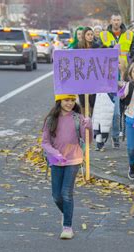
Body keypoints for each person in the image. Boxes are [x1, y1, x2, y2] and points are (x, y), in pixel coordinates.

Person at [41, 94, 92, 239]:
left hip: (74, 159)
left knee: (66, 193)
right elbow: (45, 142)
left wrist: (89, 126)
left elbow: (87, 140)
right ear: (59, 101)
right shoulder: (51, 119)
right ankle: (66, 213)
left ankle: (67, 226)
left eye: (72, 100)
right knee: (56, 196)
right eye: (66, 100)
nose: (69, 103)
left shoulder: (78, 118)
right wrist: (55, 153)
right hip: (56, 160)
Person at [100, 14, 134, 148]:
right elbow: (99, 52)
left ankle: (121, 133)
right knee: (110, 110)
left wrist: (130, 63)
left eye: (118, 20)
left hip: (124, 74)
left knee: (122, 108)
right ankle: (110, 137)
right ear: (111, 21)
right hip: (108, 75)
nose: (116, 22)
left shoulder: (128, 34)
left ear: (121, 21)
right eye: (114, 20)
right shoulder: (104, 35)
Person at [76, 27, 100, 116]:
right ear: (84, 35)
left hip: (93, 76)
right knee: (82, 100)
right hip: (81, 76)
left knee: (93, 99)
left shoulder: (96, 46)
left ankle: (92, 119)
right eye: (88, 35)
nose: (90, 36)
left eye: (91, 34)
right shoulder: (78, 47)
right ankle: (83, 119)